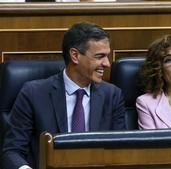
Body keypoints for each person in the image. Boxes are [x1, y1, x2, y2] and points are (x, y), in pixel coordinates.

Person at [2, 22, 126, 169]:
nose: (107, 64)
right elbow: (12, 151)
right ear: (75, 56)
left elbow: (120, 151)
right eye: (100, 56)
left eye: (107, 56)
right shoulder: (33, 94)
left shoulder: (112, 96)